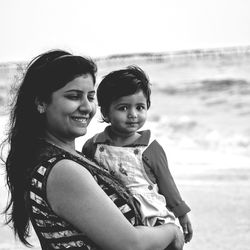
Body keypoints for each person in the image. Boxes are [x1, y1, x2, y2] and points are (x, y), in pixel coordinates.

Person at [0, 49, 185, 250]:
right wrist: (172, 231)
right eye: (73, 96)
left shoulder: (75, 158)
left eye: (90, 96)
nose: (87, 107)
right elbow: (130, 244)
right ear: (41, 103)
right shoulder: (63, 170)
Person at [82, 66, 193, 244]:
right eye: (123, 108)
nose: (133, 115)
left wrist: (182, 214)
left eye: (140, 107)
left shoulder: (150, 148)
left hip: (151, 217)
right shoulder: (94, 146)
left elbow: (167, 183)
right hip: (113, 215)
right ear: (105, 113)